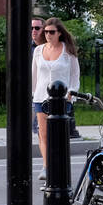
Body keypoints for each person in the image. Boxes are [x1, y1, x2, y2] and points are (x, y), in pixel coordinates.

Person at [31, 17, 80, 179]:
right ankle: (46, 167)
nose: (47, 35)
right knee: (43, 134)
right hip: (41, 98)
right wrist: (34, 94)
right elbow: (34, 75)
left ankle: (58, 165)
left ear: (59, 33)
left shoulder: (68, 51)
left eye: (51, 32)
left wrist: (71, 93)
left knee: (57, 135)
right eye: (45, 31)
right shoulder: (38, 51)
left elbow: (74, 76)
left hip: (61, 100)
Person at [30, 18, 45, 136]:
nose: (33, 31)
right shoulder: (27, 49)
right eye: (31, 28)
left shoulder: (48, 48)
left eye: (37, 28)